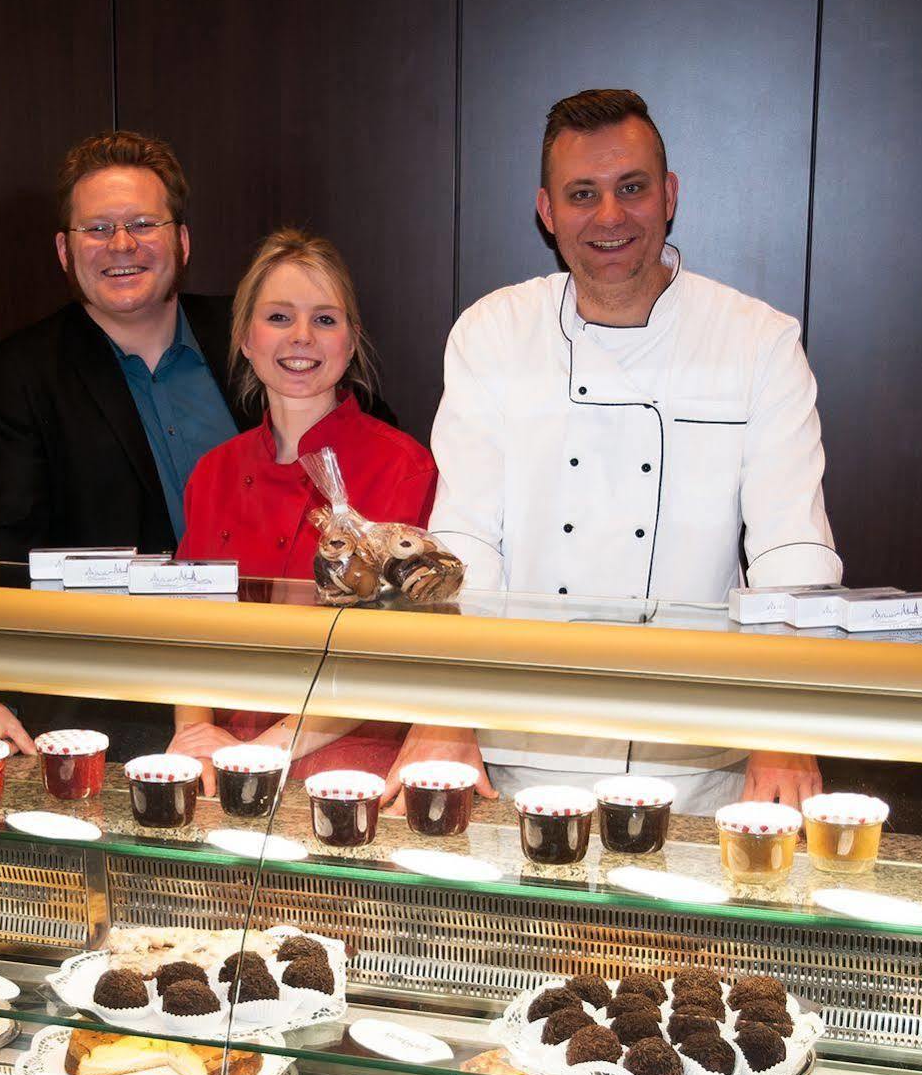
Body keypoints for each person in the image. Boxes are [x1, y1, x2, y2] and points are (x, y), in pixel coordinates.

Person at [418, 89, 841, 812]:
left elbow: (789, 549)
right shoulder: (492, 333)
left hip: (696, 760)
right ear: (547, 211)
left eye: (631, 188)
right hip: (523, 752)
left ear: (668, 195)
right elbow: (463, 544)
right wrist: (443, 714)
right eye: (582, 194)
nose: (609, 217)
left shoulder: (755, 339)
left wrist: (783, 727)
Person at [170, 229, 437, 792]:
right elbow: (186, 631)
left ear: (351, 340)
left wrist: (267, 749)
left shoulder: (403, 466)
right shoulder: (212, 472)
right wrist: (193, 735)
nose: (301, 337)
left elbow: (390, 654)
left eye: (324, 319)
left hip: (347, 767)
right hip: (219, 765)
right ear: (245, 337)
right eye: (278, 317)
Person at [0, 130, 248, 564]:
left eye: (143, 224)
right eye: (97, 229)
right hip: (115, 630)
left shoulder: (253, 335)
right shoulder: (22, 375)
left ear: (183, 242)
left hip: (273, 625)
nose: (121, 244)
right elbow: (7, 554)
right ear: (65, 251)